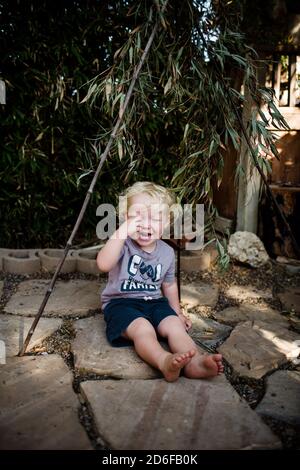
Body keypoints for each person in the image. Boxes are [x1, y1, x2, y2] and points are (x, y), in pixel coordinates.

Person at [97, 181, 223, 382]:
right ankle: (163, 361)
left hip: (155, 302)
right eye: (137, 217)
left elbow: (169, 285)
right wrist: (121, 231)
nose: (146, 224)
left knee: (175, 326)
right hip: (121, 303)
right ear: (125, 218)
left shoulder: (166, 252)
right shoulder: (122, 244)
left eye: (155, 219)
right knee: (143, 329)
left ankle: (195, 363)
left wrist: (178, 312)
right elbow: (103, 264)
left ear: (165, 223)